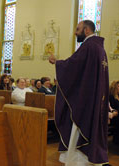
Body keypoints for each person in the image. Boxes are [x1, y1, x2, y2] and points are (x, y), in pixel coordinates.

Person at [49, 20, 109, 165]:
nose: (75, 32)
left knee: (79, 127)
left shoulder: (88, 46)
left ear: (87, 30)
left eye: (78, 29)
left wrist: (57, 62)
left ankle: (79, 162)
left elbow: (73, 66)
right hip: (94, 97)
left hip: (85, 100)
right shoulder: (100, 49)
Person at [109, 80, 119, 145]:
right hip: (114, 116)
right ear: (114, 87)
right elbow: (112, 108)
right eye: (118, 86)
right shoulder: (111, 97)